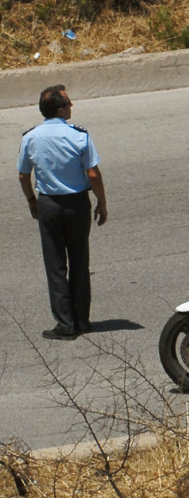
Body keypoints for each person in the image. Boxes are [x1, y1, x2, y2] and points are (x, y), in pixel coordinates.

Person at [17, 85, 108, 340]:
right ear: (59, 109)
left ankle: (65, 324)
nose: (72, 106)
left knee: (55, 264)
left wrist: (31, 200)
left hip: (49, 205)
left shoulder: (31, 137)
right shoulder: (79, 136)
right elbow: (92, 173)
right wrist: (102, 202)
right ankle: (82, 320)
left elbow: (24, 175)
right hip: (77, 204)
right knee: (80, 261)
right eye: (68, 103)